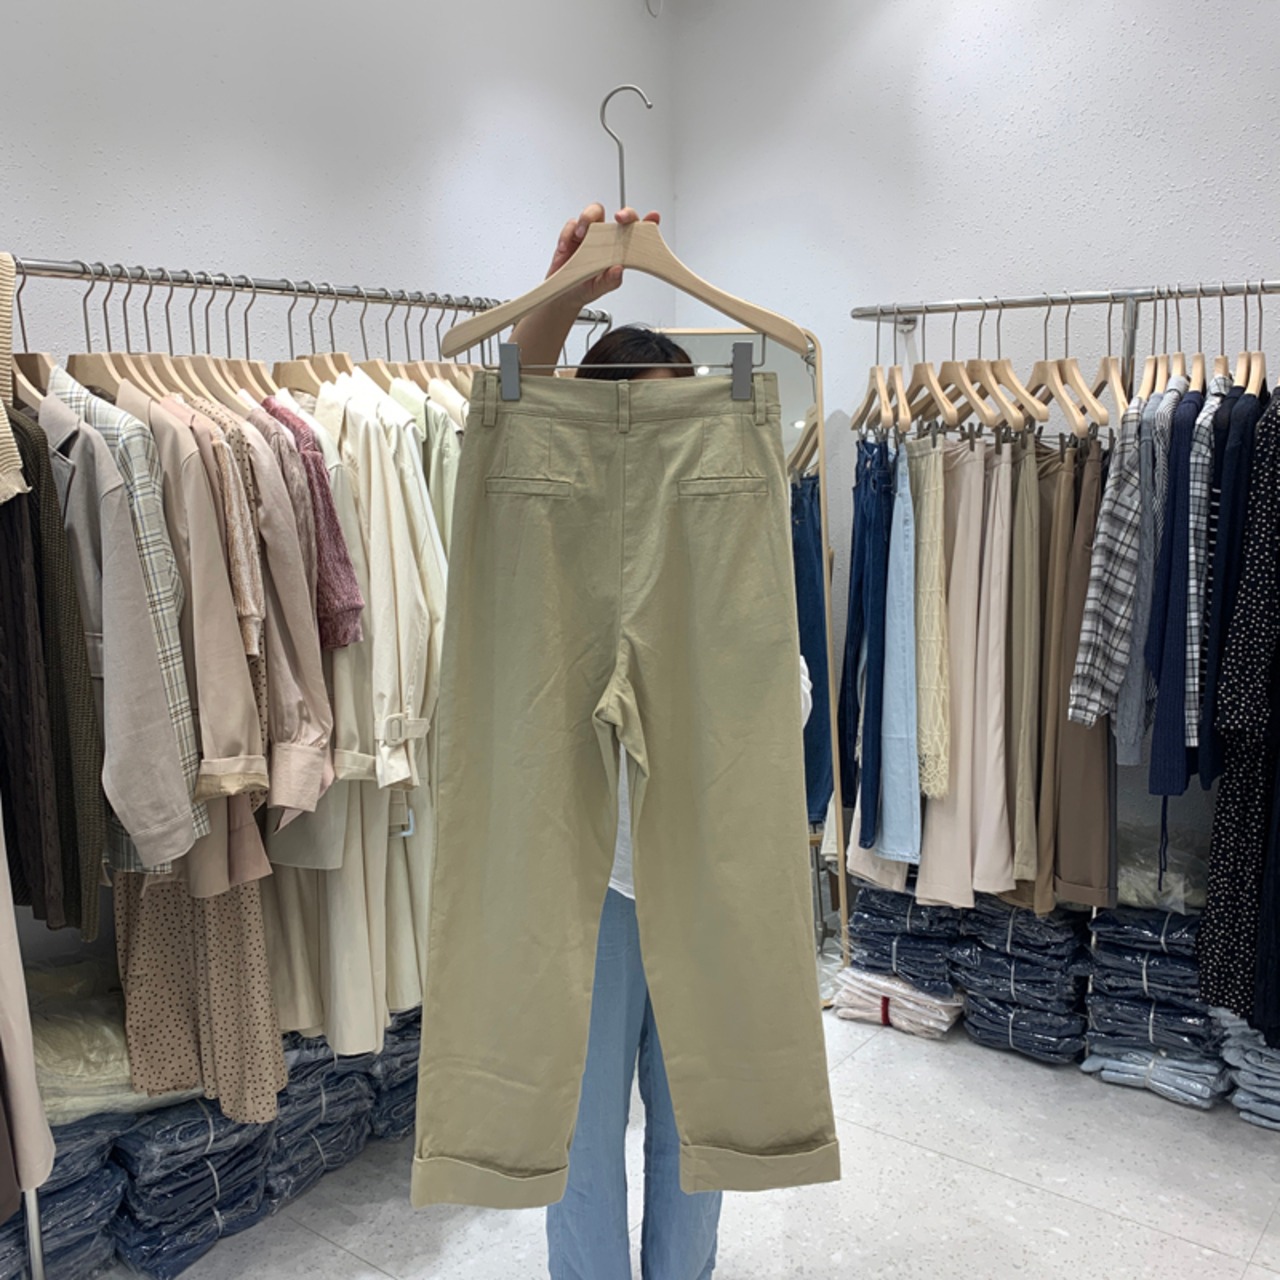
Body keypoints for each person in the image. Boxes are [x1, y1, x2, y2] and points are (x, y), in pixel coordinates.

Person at [510, 205, 812, 1280]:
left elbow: (784, 706)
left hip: (706, 881)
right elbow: (510, 433)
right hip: (588, 891)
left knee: (698, 1137)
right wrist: (556, 304)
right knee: (580, 1143)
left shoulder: (729, 550)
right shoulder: (551, 544)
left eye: (676, 426)